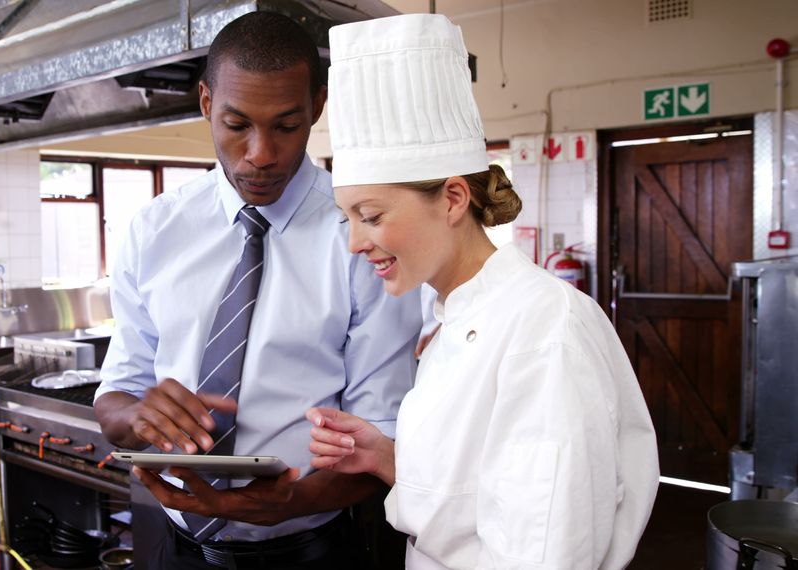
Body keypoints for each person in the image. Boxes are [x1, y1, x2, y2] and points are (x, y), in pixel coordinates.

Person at [306, 13, 659, 570]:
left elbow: (545, 554)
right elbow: (483, 495)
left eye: (369, 216)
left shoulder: (544, 329)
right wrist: (388, 458)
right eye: (346, 219)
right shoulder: (453, 314)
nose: (354, 243)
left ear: (452, 199)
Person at [92, 11, 422, 570]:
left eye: (287, 126)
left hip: (311, 554)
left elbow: (381, 440)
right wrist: (138, 415)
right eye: (236, 124)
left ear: (319, 106)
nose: (261, 154)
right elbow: (117, 394)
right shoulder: (154, 231)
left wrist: (292, 500)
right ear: (205, 103)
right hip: (178, 551)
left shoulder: (364, 238)